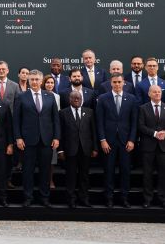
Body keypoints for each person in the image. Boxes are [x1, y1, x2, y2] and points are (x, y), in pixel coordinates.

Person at [13, 70, 60, 207]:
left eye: (36, 79)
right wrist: (18, 138)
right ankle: (28, 197)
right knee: (27, 170)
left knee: (45, 171)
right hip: (27, 141)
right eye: (32, 79)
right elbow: (16, 120)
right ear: (28, 80)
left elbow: (55, 119)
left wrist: (57, 137)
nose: (34, 82)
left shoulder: (50, 96)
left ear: (41, 81)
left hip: (46, 140)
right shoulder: (21, 97)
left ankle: (44, 198)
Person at [96, 72, 138, 208]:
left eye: (119, 82)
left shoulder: (131, 99)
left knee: (125, 170)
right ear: (111, 83)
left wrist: (132, 140)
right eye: (115, 82)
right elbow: (99, 121)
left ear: (124, 83)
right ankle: (109, 198)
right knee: (109, 170)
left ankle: (124, 197)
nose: (117, 85)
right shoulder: (102, 98)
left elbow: (134, 122)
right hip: (108, 141)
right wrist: (102, 139)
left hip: (126, 142)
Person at [57, 91, 97, 208]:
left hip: (86, 150)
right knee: (71, 176)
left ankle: (84, 199)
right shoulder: (63, 113)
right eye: (74, 98)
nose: (76, 100)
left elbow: (93, 131)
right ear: (69, 99)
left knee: (84, 176)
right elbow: (60, 133)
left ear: (82, 100)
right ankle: (71, 200)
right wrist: (60, 150)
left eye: (78, 98)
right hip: (69, 150)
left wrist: (95, 148)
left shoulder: (89, 112)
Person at [138, 85, 165, 208]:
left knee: (163, 174)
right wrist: (155, 134)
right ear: (149, 94)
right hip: (147, 147)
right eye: (154, 92)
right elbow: (141, 126)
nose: (157, 94)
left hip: (163, 147)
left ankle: (162, 198)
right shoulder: (143, 108)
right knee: (147, 174)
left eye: (159, 92)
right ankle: (147, 199)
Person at [42, 75, 61, 189]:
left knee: (52, 160)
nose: (50, 85)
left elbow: (57, 116)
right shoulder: (40, 94)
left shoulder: (56, 96)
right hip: (40, 130)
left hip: (51, 131)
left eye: (52, 83)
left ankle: (50, 180)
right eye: (47, 82)